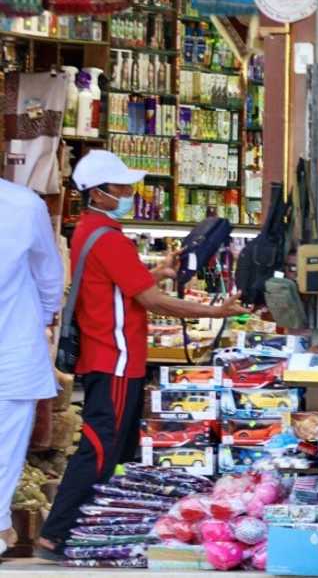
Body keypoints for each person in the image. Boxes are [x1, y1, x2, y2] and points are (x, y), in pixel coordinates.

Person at [37, 151, 250, 559]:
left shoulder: (91, 230)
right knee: (101, 447)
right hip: (114, 357)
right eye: (120, 187)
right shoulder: (110, 238)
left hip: (109, 356)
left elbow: (119, 286)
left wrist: (158, 272)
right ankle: (56, 534)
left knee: (114, 447)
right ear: (98, 194)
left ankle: (88, 530)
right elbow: (153, 302)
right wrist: (216, 311)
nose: (129, 192)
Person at [0, 179, 63, 554]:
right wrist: (35, 322)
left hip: (15, 353)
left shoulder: (25, 204)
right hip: (14, 352)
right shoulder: (23, 205)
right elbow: (48, 278)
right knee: (4, 450)